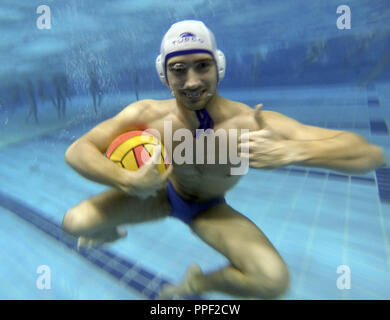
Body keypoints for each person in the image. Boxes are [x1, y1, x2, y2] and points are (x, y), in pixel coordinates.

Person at [62, 20, 386, 299]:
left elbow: (369, 154)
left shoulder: (249, 123)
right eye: (178, 70)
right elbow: (78, 150)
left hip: (210, 208)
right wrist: (127, 179)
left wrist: (295, 152)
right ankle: (110, 232)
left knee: (273, 280)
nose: (191, 82)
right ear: (164, 74)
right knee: (74, 223)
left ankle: (198, 282)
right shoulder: (148, 115)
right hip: (159, 195)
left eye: (202, 66)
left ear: (219, 66)